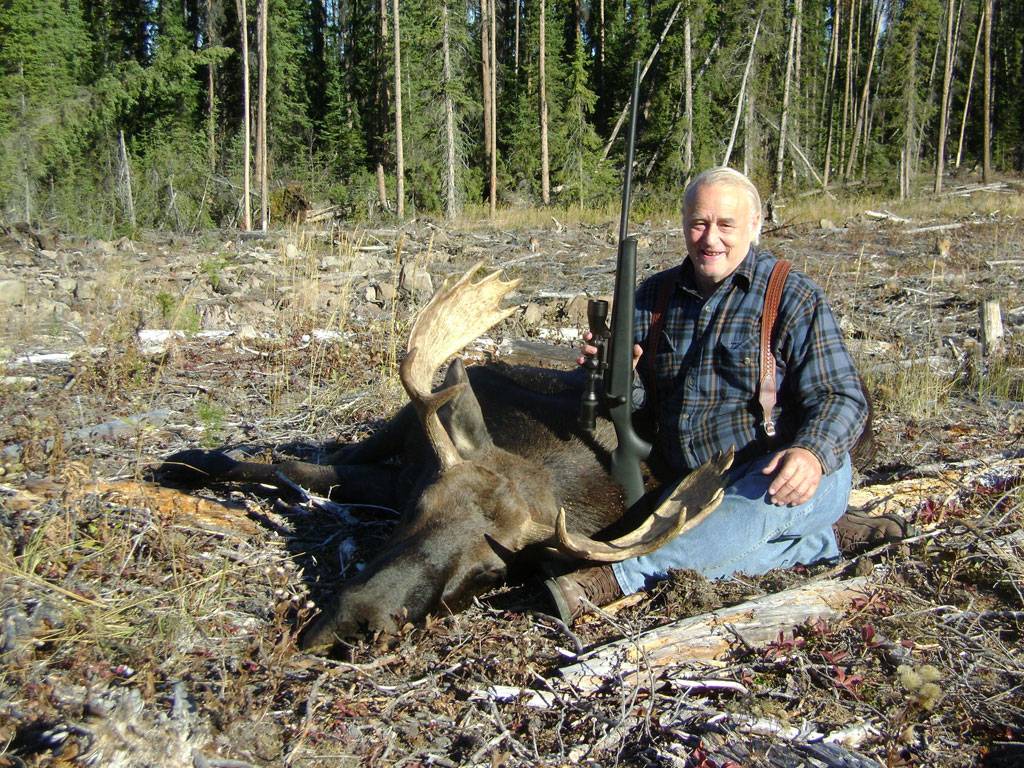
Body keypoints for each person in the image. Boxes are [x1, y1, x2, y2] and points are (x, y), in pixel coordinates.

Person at [545, 167, 907, 624]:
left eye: (726, 225)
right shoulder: (651, 299)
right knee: (730, 530)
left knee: (750, 510)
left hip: (786, 473)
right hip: (694, 484)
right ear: (683, 225)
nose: (710, 238)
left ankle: (612, 581)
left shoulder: (792, 297)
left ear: (754, 226)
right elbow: (636, 406)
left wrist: (811, 454)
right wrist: (615, 376)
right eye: (699, 223)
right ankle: (820, 541)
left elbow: (843, 396)